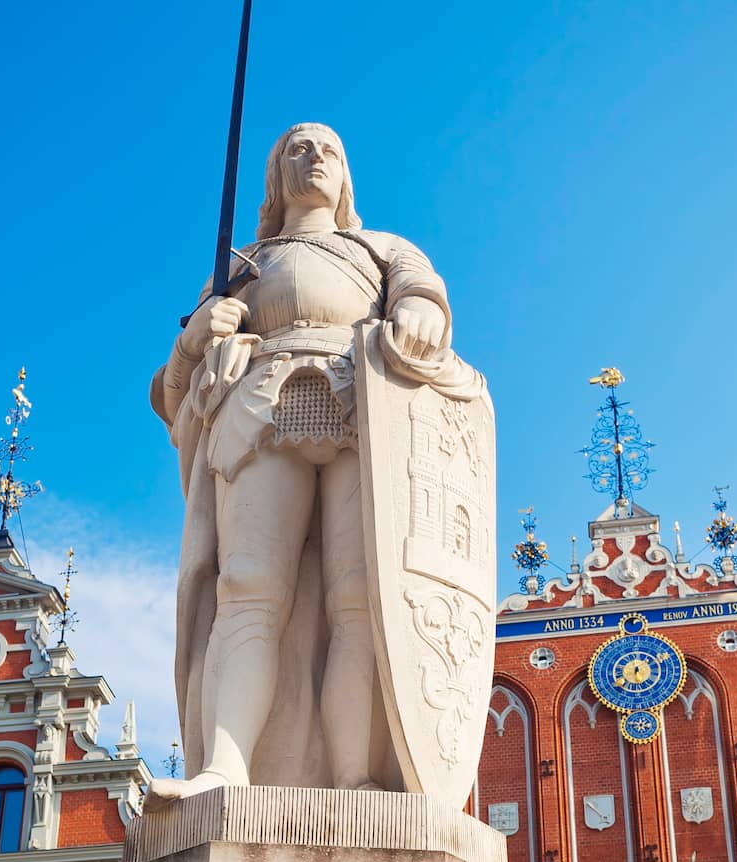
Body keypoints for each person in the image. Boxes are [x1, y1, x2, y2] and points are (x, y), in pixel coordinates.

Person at [151, 122, 490, 802]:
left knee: (361, 598)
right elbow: (169, 394)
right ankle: (225, 768)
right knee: (248, 588)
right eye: (296, 150)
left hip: (363, 406)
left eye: (328, 150)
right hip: (261, 404)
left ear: (346, 176)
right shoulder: (241, 266)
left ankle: (356, 777)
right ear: (276, 177)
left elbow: (424, 297)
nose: (314, 158)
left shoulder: (384, 248)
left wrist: (421, 310)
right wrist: (194, 342)